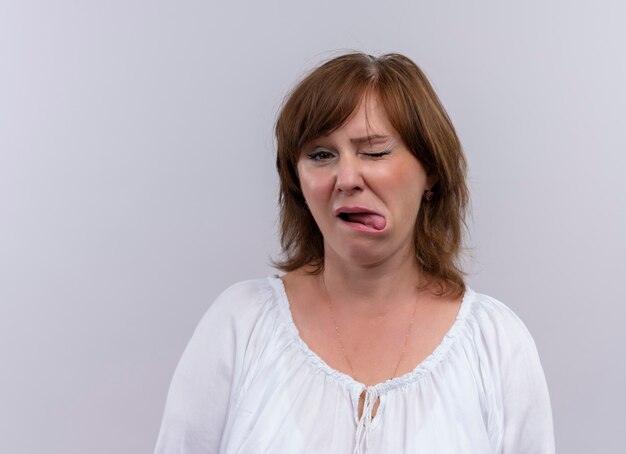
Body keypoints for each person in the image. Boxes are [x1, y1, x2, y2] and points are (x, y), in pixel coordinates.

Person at [154, 52, 555, 454]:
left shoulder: (497, 345)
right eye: (321, 155)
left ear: (430, 170)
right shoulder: (238, 326)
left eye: (375, 152)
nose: (346, 179)